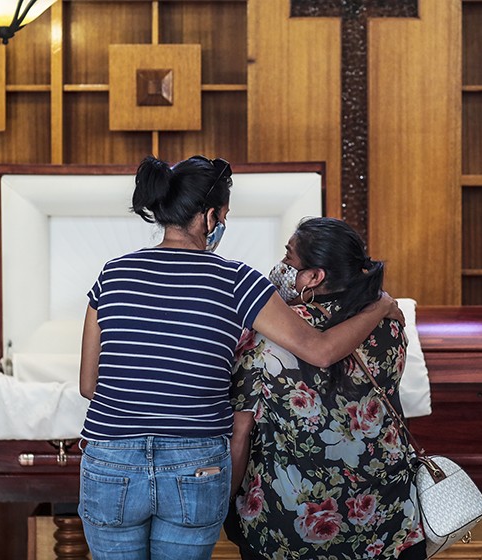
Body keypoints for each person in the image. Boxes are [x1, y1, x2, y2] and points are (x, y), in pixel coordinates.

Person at [77, 155, 404, 560]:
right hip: (194, 463)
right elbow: (321, 351)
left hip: (111, 457)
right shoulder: (237, 280)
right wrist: (380, 305)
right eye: (225, 215)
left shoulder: (112, 274)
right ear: (210, 217)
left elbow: (88, 385)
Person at [226, 217, 426, 560]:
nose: (282, 268)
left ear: (315, 277)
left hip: (287, 524)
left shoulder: (268, 335)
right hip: (384, 516)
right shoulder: (389, 325)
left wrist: (225, 502)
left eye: (290, 260)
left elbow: (240, 432)